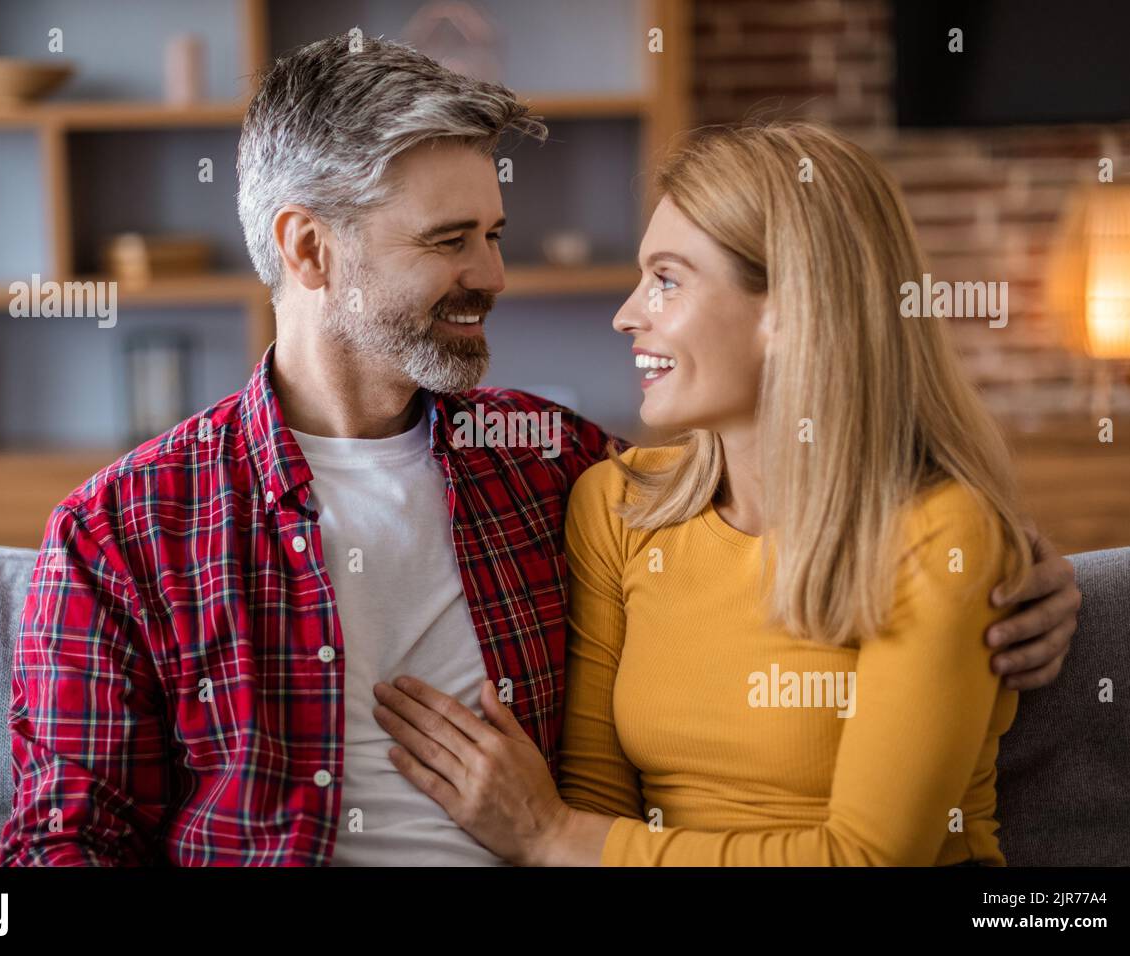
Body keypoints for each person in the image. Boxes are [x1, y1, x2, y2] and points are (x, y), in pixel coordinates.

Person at [0, 38, 1079, 867]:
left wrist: (1029, 571)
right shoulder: (122, 531)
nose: (495, 275)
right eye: (449, 240)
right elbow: (63, 841)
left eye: (496, 233)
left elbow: (802, 501)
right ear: (308, 248)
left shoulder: (553, 464)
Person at [372, 122, 1076, 866]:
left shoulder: (937, 533)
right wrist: (568, 838)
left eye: (668, 280)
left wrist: (551, 836)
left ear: (790, 307)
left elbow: (868, 857)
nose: (627, 314)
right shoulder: (616, 505)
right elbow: (600, 810)